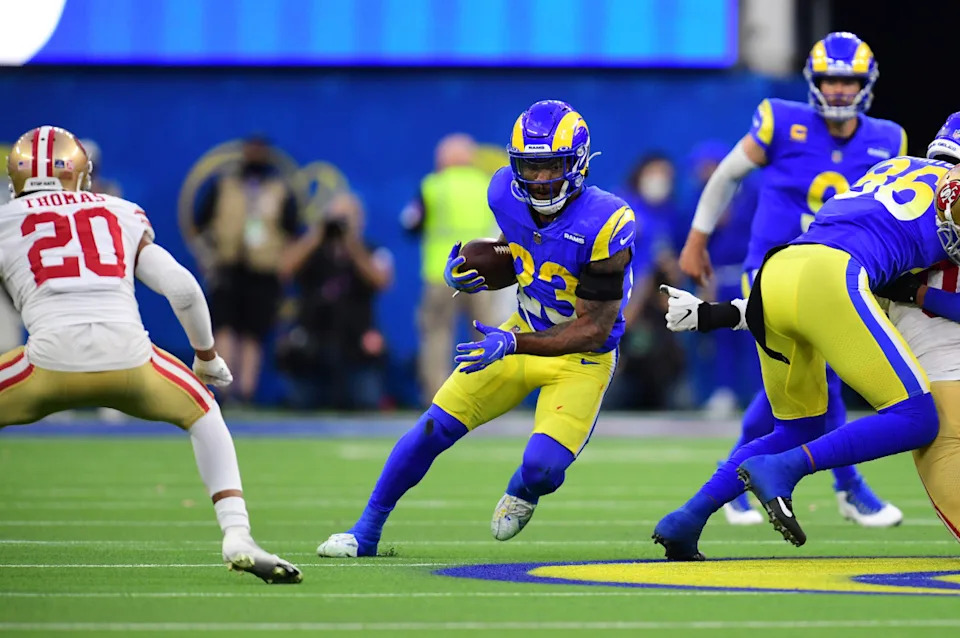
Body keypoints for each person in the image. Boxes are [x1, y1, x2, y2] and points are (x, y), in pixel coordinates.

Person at [317, 100, 635, 557]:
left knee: (543, 470)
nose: (540, 178)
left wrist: (513, 342)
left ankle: (522, 488)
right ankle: (365, 531)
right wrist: (475, 271)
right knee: (433, 428)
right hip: (522, 331)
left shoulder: (606, 221)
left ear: (578, 162)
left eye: (552, 166)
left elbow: (594, 330)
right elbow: (517, 254)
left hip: (580, 358)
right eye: (531, 166)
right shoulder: (505, 193)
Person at [0, 126, 301, 583]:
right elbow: (182, 287)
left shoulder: (6, 221)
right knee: (205, 414)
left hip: (46, 364)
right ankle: (237, 534)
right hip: (132, 361)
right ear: (81, 174)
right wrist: (206, 356)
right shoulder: (118, 212)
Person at [652, 119, 958, 560]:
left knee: (797, 428)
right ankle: (787, 469)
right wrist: (918, 292)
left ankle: (686, 518)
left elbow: (812, 276)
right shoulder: (948, 196)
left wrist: (718, 314)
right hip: (832, 277)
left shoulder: (888, 171)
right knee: (917, 417)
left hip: (779, 270)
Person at [676, 32, 906, 527]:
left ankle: (736, 479)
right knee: (821, 379)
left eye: (848, 81)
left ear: (865, 84)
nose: (839, 90)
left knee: (794, 393)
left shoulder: (889, 138)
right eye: (830, 80)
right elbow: (727, 174)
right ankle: (849, 487)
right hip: (771, 273)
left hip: (834, 275)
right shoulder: (781, 120)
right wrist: (697, 239)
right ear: (813, 81)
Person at [194, 135, 301, 404]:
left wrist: (283, 263)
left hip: (263, 269)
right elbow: (201, 222)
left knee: (254, 332)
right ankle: (222, 390)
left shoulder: (279, 189)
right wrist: (207, 256)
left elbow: (292, 230)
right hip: (227, 266)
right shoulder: (224, 184)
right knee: (224, 327)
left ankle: (246, 392)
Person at [400, 133, 503, 404]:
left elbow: (410, 223)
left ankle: (437, 399)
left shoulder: (433, 186)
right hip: (483, 274)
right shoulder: (485, 184)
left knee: (436, 336)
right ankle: (491, 396)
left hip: (441, 273)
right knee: (487, 334)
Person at [277, 191, 393, 410]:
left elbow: (381, 280)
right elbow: (284, 269)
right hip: (313, 338)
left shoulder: (371, 250)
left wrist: (352, 244)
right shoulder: (312, 250)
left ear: (360, 221)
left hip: (356, 340)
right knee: (301, 404)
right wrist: (316, 235)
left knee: (365, 402)